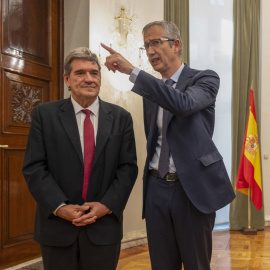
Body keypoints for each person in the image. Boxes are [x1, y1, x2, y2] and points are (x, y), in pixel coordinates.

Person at [101, 20, 235, 270]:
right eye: (145, 46)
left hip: (191, 190)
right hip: (155, 188)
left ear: (176, 45)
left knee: (197, 264)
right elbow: (152, 139)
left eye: (155, 42)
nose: (150, 51)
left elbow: (183, 104)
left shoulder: (204, 79)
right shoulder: (152, 92)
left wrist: (132, 71)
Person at [22, 47, 138, 270]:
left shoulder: (121, 118)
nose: (89, 79)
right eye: (80, 73)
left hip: (103, 227)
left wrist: (106, 205)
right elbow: (35, 167)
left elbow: (127, 169)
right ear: (67, 78)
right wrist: (59, 207)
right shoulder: (45, 115)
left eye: (94, 73)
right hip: (57, 228)